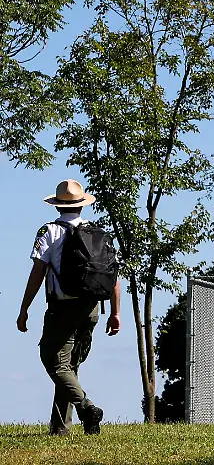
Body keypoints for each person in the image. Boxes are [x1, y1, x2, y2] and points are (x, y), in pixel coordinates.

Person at [15, 179, 121, 436]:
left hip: (62, 307)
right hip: (92, 308)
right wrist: (116, 313)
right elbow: (114, 277)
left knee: (53, 361)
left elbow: (38, 272)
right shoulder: (97, 234)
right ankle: (60, 428)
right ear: (82, 206)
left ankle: (87, 408)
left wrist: (24, 308)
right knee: (69, 367)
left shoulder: (49, 232)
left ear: (58, 206)